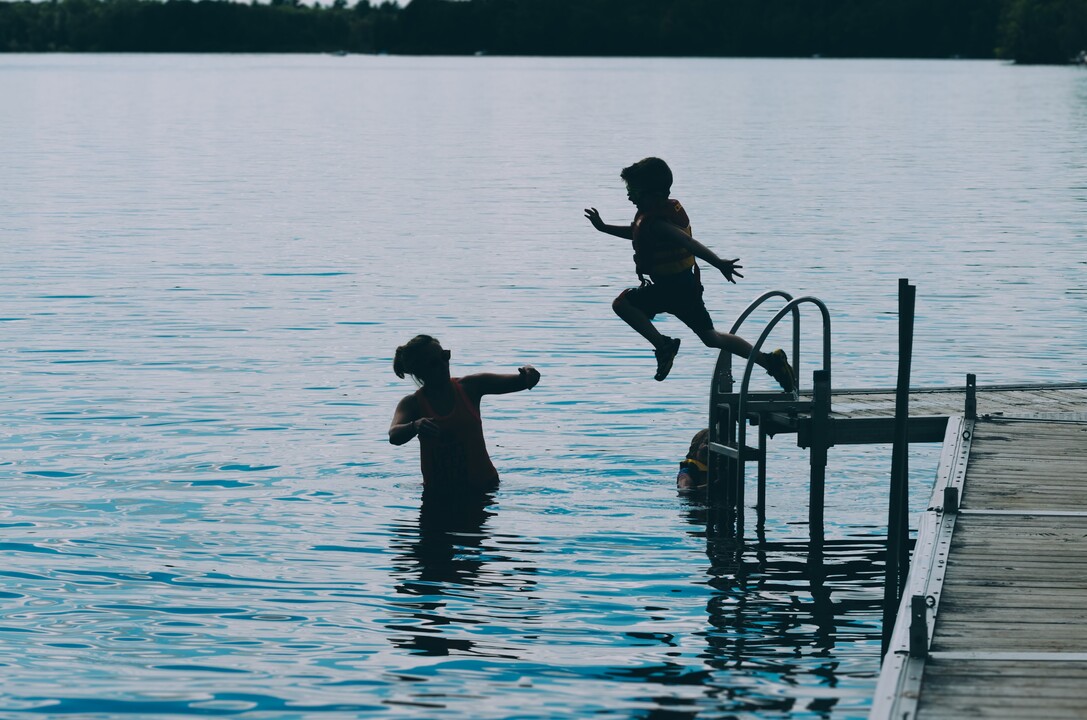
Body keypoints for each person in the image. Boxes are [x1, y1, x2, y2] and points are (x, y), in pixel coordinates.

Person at [584, 157, 795, 391]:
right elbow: (637, 232)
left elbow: (688, 242)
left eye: (633, 190)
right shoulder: (652, 221)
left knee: (622, 304)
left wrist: (718, 263)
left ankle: (664, 345)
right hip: (686, 288)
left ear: (652, 193)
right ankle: (770, 361)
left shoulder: (658, 223)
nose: (629, 196)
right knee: (712, 338)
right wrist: (604, 228)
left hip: (672, 288)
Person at [388, 334, 541, 493]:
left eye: (444, 356)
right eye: (434, 363)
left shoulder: (471, 387)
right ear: (420, 370)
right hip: (439, 494)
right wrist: (415, 426)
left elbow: (521, 381)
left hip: (483, 489)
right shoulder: (412, 404)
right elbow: (394, 435)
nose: (443, 364)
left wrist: (529, 371)